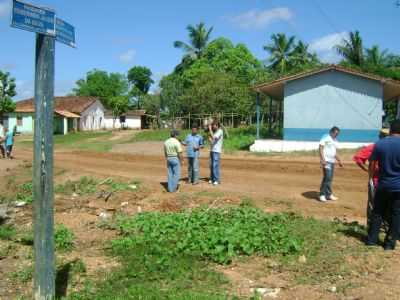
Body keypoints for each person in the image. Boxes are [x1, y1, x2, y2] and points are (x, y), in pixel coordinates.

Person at [367, 120, 400, 250]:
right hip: (398, 187)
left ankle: (371, 241)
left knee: (377, 212)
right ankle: (389, 244)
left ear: (391, 130)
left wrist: (371, 179)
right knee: (396, 214)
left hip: (383, 185)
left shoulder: (380, 144)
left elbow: (372, 164)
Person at [353, 129, 389, 228]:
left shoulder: (375, 147)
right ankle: (372, 224)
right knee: (374, 205)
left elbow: (358, 158)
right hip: (377, 181)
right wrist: (368, 171)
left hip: (382, 181)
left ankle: (379, 225)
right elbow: (358, 158)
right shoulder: (373, 147)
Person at [319, 126, 343, 202]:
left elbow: (334, 152)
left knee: (329, 178)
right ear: (331, 132)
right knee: (327, 177)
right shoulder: (326, 137)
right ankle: (322, 194)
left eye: (337, 134)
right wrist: (323, 159)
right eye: (335, 133)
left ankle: (328, 194)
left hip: (332, 161)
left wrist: (339, 160)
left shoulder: (335, 140)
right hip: (326, 161)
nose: (336, 135)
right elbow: (320, 147)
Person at [208, 121, 223, 186]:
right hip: (212, 150)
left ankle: (216, 180)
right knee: (211, 165)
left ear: (217, 125)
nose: (213, 126)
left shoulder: (220, 131)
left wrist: (210, 129)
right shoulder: (215, 132)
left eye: (214, 125)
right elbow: (212, 141)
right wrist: (210, 140)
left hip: (217, 151)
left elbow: (214, 137)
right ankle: (212, 178)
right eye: (212, 125)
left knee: (215, 165)